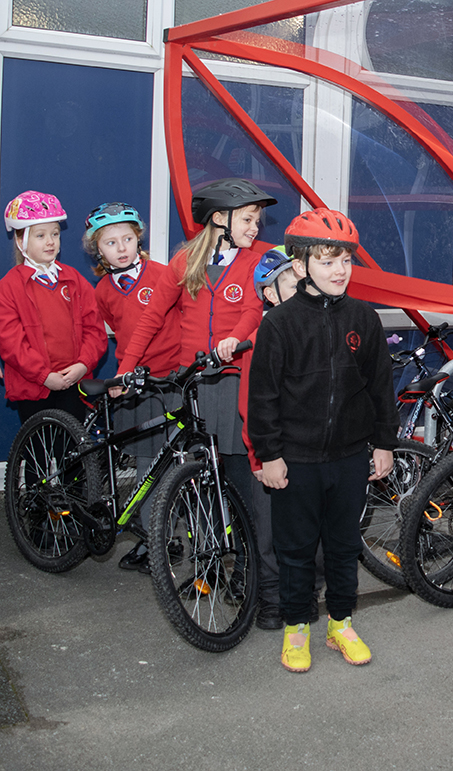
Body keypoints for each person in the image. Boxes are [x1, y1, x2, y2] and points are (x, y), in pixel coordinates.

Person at [246, 207, 399, 673]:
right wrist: (269, 454)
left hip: (350, 456)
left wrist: (384, 443)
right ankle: (296, 627)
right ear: (300, 266)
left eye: (345, 261)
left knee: (343, 544)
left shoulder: (364, 319)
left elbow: (379, 388)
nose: (339, 271)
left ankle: (340, 623)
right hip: (296, 459)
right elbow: (264, 396)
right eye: (328, 260)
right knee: (294, 548)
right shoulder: (279, 324)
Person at [116, 178, 276, 511]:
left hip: (232, 377)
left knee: (235, 467)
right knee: (195, 468)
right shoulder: (185, 261)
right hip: (191, 381)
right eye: (248, 219)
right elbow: (151, 318)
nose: (255, 227)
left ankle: (245, 551)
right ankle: (206, 538)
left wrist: (235, 339)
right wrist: (125, 368)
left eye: (257, 221)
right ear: (219, 218)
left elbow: (252, 310)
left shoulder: (253, 263)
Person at [84, 201, 182, 572]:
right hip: (134, 385)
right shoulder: (102, 291)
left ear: (138, 239)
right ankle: (154, 538)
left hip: (170, 378)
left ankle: (171, 530)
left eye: (127, 238)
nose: (121, 247)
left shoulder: (162, 275)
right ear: (98, 250)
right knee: (147, 463)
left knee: (176, 460)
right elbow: (118, 331)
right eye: (111, 243)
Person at [239, 245, 324, 631]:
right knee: (270, 534)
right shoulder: (262, 338)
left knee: (312, 531)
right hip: (273, 453)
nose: (305, 291)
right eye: (294, 285)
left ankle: (305, 595)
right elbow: (250, 405)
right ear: (270, 294)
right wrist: (259, 459)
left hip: (315, 454)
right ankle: (272, 598)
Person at [0, 190, 106, 423]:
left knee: (74, 452)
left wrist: (82, 365)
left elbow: (95, 330)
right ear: (20, 241)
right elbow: (11, 343)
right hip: (34, 386)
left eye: (55, 234)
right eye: (40, 236)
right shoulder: (8, 287)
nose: (50, 241)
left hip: (73, 381)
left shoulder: (74, 279)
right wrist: (43, 375)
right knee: (40, 448)